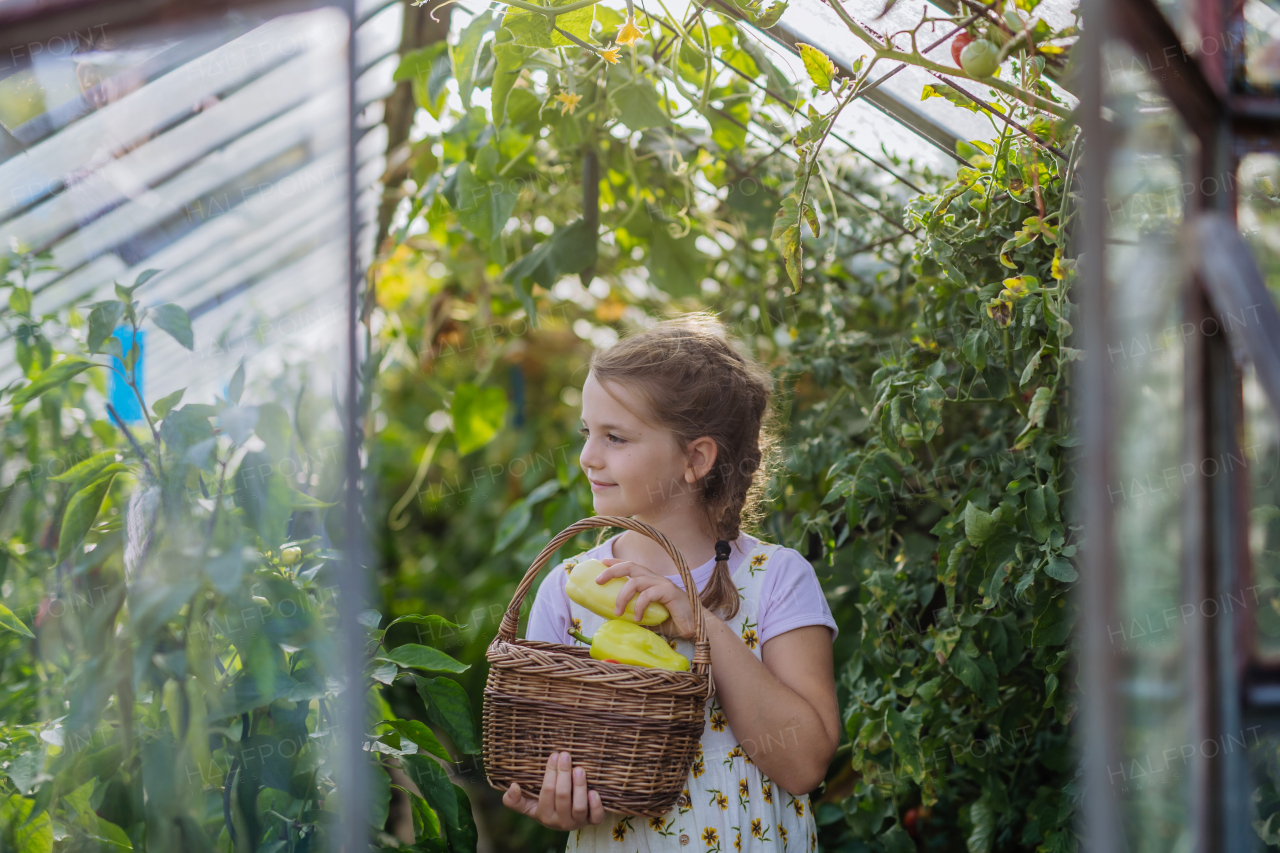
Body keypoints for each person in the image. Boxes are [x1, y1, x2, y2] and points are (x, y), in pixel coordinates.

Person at [505, 312, 840, 852]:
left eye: (616, 437)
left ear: (696, 458)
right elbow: (550, 758)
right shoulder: (569, 590)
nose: (589, 457)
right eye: (588, 432)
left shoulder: (775, 578)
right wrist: (553, 798)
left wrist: (701, 625)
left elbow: (803, 764)